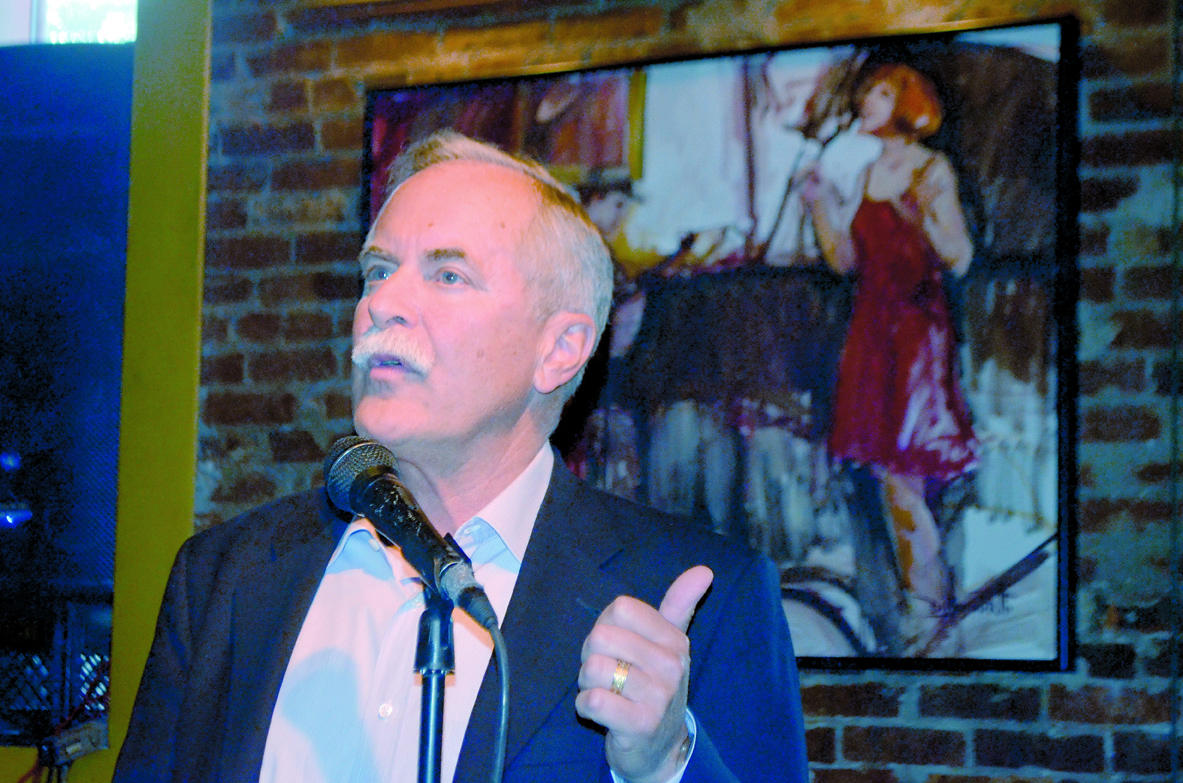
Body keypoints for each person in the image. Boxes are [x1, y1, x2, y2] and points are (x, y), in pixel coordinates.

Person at [114, 130, 808, 782]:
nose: (382, 303)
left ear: (559, 349)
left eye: (447, 275)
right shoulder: (224, 580)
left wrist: (663, 762)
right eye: (377, 270)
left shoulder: (699, 598)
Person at [801, 64, 978, 654]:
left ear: (904, 102)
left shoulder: (932, 169)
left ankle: (928, 610)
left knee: (903, 475)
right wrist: (821, 203)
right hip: (872, 334)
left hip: (917, 335)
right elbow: (844, 260)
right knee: (887, 473)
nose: (865, 103)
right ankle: (925, 606)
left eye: (877, 94)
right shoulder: (868, 170)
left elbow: (959, 256)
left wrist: (926, 211)